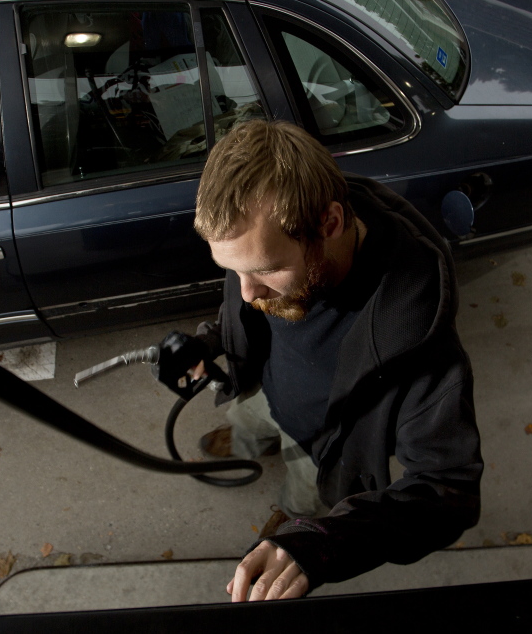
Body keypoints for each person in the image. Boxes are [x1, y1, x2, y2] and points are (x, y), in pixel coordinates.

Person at [185, 120, 483, 601]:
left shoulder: (418, 338)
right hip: (265, 389)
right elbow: (244, 307)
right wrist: (208, 341)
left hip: (321, 445)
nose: (246, 292)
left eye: (264, 270)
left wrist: (323, 543)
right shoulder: (261, 259)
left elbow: (448, 488)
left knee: (301, 492)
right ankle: (248, 439)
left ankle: (288, 518)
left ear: (330, 224)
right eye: (231, 270)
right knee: (249, 417)